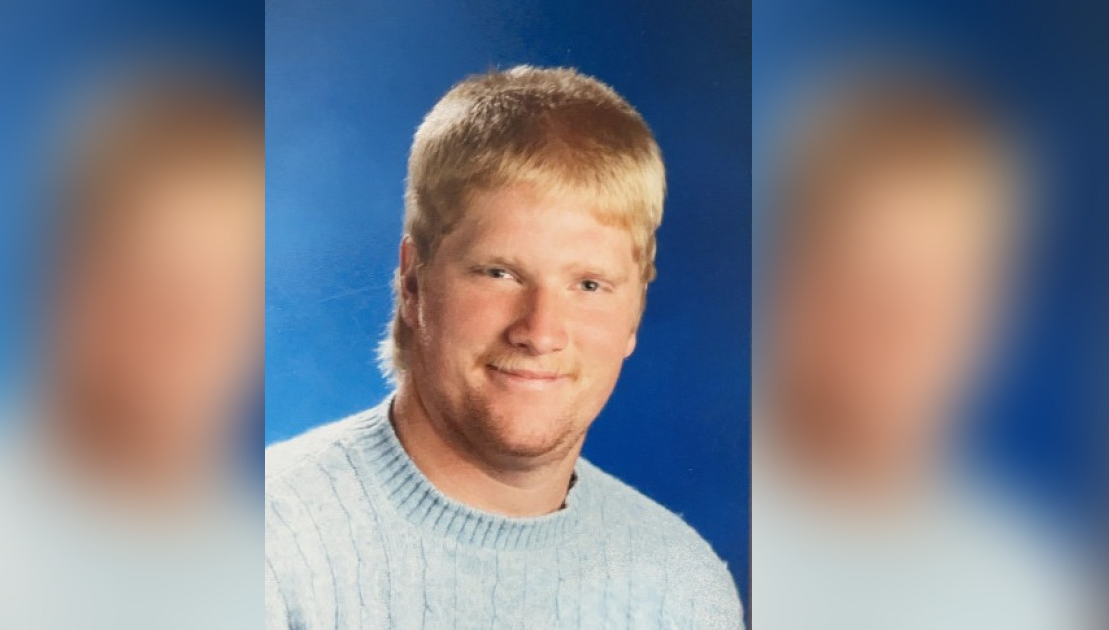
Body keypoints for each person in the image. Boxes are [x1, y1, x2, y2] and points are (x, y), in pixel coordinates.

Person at [265, 65, 743, 629]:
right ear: (413, 282)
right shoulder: (266, 547)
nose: (540, 332)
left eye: (589, 285)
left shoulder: (685, 592)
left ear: (636, 309)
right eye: (500, 273)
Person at [0, 69, 264, 629]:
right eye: (163, 286)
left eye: (234, 290)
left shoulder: (275, 552)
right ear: (61, 288)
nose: (198, 329)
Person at [752, 70, 1087, 629]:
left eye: (945, 290)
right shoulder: (717, 547)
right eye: (873, 285)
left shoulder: (1022, 585)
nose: (907, 330)